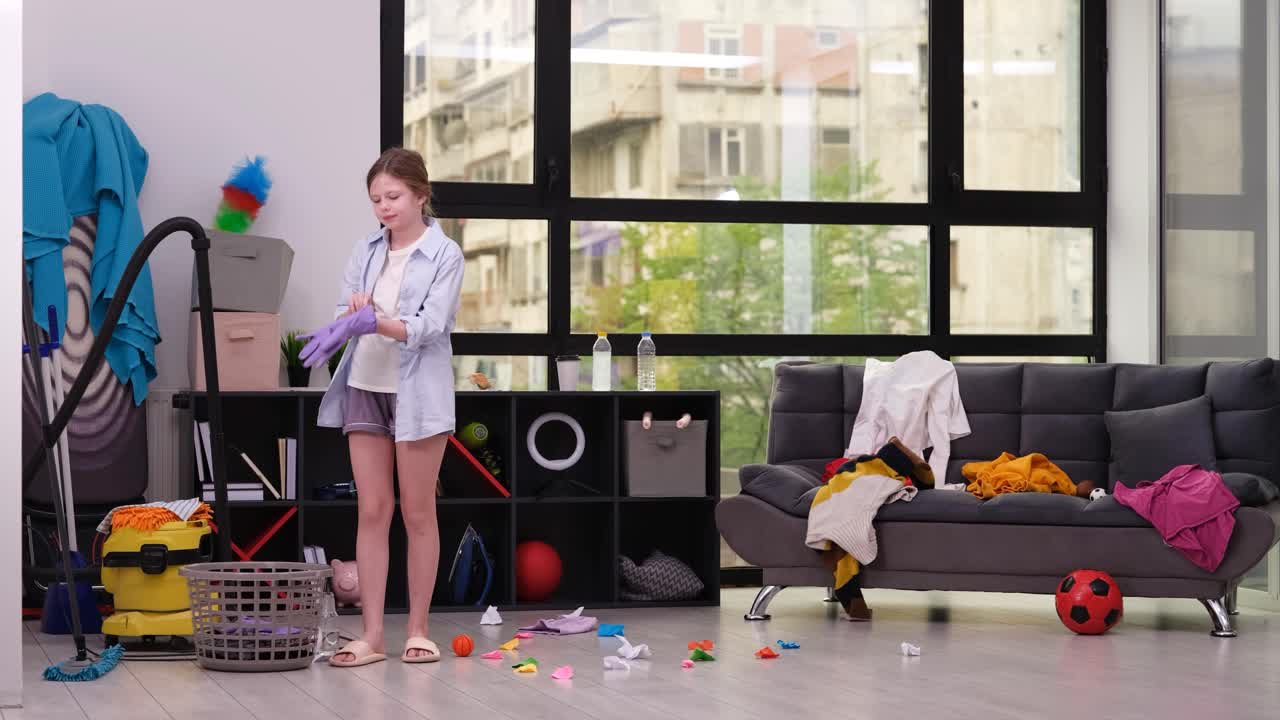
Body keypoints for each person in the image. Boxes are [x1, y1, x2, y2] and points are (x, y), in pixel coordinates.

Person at [304, 147, 464, 666]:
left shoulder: (445, 255)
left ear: (421, 194)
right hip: (365, 385)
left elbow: (429, 326)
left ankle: (418, 629)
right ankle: (372, 636)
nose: (384, 207)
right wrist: (349, 316)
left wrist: (377, 320)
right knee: (372, 510)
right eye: (375, 199)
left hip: (419, 394)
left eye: (393, 196)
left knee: (418, 513)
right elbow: (344, 310)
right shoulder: (366, 251)